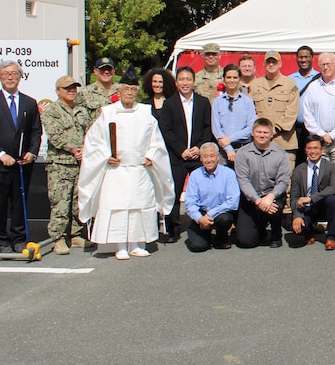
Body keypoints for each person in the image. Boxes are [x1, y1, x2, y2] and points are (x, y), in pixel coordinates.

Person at [77, 69, 175, 260]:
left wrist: (152, 155)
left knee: (139, 207)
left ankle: (137, 244)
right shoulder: (108, 113)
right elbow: (94, 141)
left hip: (139, 169)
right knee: (118, 208)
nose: (129, 93)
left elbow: (156, 140)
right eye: (126, 89)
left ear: (137, 91)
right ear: (119, 91)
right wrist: (106, 156)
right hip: (116, 170)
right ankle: (120, 245)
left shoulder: (146, 113)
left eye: (133, 89)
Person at [0, 60, 42, 253]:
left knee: (19, 204)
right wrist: (1, 154)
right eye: (6, 74)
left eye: (14, 73)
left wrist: (32, 152)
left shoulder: (29, 103)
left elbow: (36, 131)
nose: (10, 77)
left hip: (21, 164)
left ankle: (19, 239)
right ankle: (1, 241)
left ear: (21, 76)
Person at [158, 66, 214, 243]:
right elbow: (165, 130)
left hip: (198, 156)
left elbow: (208, 127)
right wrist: (180, 150)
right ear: (176, 82)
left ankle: (204, 224)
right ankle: (173, 228)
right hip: (177, 156)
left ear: (193, 81)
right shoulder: (169, 103)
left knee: (203, 191)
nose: (185, 83)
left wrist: (199, 147)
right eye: (181, 79)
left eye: (188, 79)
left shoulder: (203, 102)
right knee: (173, 193)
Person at [39, 75, 90, 255]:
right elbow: (55, 135)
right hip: (60, 164)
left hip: (80, 163)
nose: (71, 91)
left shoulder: (82, 111)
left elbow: (90, 131)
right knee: (61, 202)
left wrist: (85, 149)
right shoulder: (51, 111)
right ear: (58, 91)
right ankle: (58, 238)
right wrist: (73, 149)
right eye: (67, 88)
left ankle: (75, 235)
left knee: (78, 201)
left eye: (74, 88)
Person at [234, 118, 291, 248]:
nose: (262, 135)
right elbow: (243, 180)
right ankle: (259, 226)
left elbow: (283, 181)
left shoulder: (281, 154)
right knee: (246, 241)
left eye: (265, 132)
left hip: (272, 197)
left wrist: (270, 197)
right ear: (252, 133)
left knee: (275, 210)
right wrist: (258, 201)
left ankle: (276, 234)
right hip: (251, 199)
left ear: (272, 134)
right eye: (258, 132)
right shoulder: (242, 153)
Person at [301, 52, 335, 171]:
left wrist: (333, 134)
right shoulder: (313, 87)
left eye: (328, 64)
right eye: (322, 65)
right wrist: (322, 134)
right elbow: (308, 114)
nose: (326, 67)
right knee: (320, 176)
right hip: (318, 140)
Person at [183, 143, 239, 252]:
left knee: (225, 219)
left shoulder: (229, 173)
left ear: (218, 157)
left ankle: (221, 236)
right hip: (202, 212)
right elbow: (190, 202)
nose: (209, 160)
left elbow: (233, 201)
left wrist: (211, 214)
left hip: (220, 212)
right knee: (198, 247)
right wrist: (199, 218)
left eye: (212, 156)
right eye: (205, 156)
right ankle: (205, 233)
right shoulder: (195, 175)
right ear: (201, 159)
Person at [289, 134, 335, 250]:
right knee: (298, 230)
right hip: (306, 208)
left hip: (323, 205)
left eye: (316, 148)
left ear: (322, 150)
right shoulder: (298, 170)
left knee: (333, 200)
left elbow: (333, 188)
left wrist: (312, 198)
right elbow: (294, 197)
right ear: (305, 150)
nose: (313, 152)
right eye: (309, 148)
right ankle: (309, 232)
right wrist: (297, 216)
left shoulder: (331, 167)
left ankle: (331, 237)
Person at [251, 50, 300, 168]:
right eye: (269, 62)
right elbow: (250, 110)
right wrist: (262, 131)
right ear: (264, 64)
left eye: (274, 62)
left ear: (280, 64)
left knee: (285, 181)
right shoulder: (255, 85)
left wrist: (275, 129)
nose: (271, 65)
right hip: (261, 143)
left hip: (284, 142)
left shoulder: (290, 84)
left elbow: (292, 111)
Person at [211, 64, 255, 165]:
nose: (232, 80)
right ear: (224, 79)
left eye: (235, 77)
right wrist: (228, 149)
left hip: (244, 148)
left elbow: (250, 127)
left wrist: (230, 139)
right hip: (223, 150)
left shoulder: (248, 102)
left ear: (239, 79)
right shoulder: (217, 102)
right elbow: (216, 128)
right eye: (228, 77)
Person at [76, 57, 117, 127]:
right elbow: (79, 121)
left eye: (109, 69)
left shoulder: (122, 91)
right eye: (102, 69)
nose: (106, 72)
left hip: (118, 134)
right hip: (95, 135)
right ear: (95, 71)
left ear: (113, 71)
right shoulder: (85, 93)